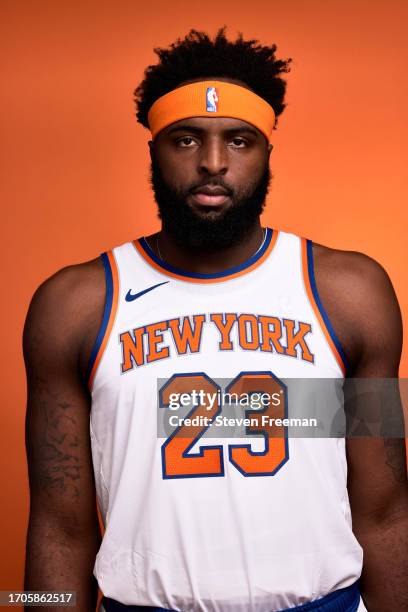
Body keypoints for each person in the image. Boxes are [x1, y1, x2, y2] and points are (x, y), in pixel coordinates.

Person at [23, 27, 408, 612]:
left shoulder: (351, 292)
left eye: (238, 140)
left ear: (267, 153)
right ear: (153, 149)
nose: (211, 163)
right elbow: (58, 527)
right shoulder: (74, 304)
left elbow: (385, 511)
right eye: (184, 140)